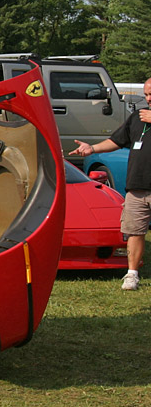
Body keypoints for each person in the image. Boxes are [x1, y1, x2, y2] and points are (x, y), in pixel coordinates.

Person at [69, 77, 151, 290]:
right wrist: (92, 149)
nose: (148, 99)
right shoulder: (137, 118)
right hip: (137, 187)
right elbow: (116, 141)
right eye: (147, 95)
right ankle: (132, 274)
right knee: (134, 231)